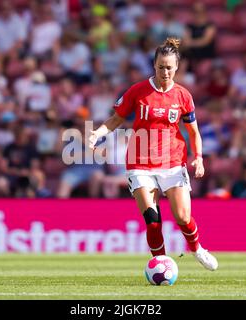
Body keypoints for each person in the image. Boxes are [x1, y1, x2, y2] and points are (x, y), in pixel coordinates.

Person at [88, 38, 218, 271]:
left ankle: (197, 248)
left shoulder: (183, 96)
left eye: (169, 67)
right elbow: (116, 119)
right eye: (160, 67)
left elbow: (194, 131)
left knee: (182, 217)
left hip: (173, 161)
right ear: (154, 66)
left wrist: (198, 157)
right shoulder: (138, 91)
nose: (165, 72)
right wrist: (97, 133)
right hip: (140, 163)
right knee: (153, 220)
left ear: (177, 67)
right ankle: (161, 265)